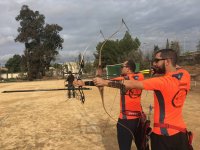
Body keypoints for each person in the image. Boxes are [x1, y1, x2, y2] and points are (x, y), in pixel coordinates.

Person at [93, 49, 193, 150]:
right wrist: (161, 69)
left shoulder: (161, 82)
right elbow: (177, 67)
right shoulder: (185, 75)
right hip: (181, 134)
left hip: (163, 137)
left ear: (167, 61)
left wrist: (105, 82)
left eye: (157, 61)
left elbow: (131, 84)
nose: (154, 63)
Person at [74, 59, 149, 150]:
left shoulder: (126, 79)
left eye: (123, 67)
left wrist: (88, 82)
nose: (121, 68)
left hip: (126, 121)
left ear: (128, 69)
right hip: (139, 119)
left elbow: (111, 82)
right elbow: (111, 81)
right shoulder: (140, 76)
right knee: (142, 147)